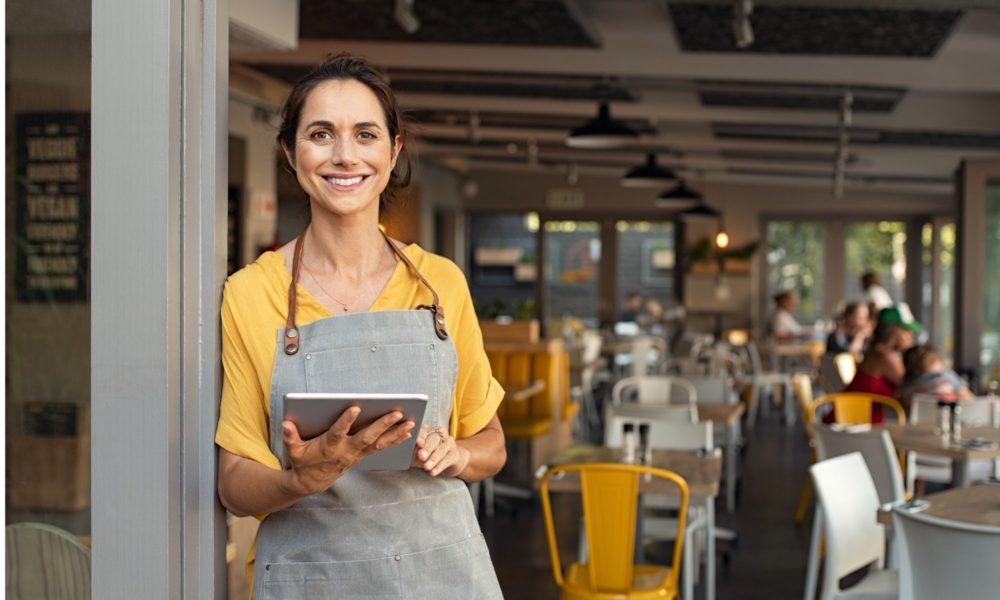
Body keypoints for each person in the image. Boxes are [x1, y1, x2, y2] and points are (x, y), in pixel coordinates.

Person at [214, 54, 505, 598]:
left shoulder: (440, 284)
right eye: (321, 133)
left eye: (365, 134)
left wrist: (459, 455)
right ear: (289, 151)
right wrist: (300, 479)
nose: (345, 155)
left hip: (440, 574)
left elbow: (491, 441)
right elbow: (234, 485)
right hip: (312, 579)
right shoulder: (251, 294)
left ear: (393, 152)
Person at [837, 322, 914, 423]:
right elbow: (910, 384)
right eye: (907, 331)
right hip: (852, 423)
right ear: (896, 332)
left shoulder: (875, 352)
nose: (911, 336)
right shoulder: (883, 356)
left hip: (855, 420)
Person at [899, 345, 974, 406]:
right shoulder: (945, 376)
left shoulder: (906, 388)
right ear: (936, 361)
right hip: (947, 420)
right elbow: (970, 400)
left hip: (919, 423)